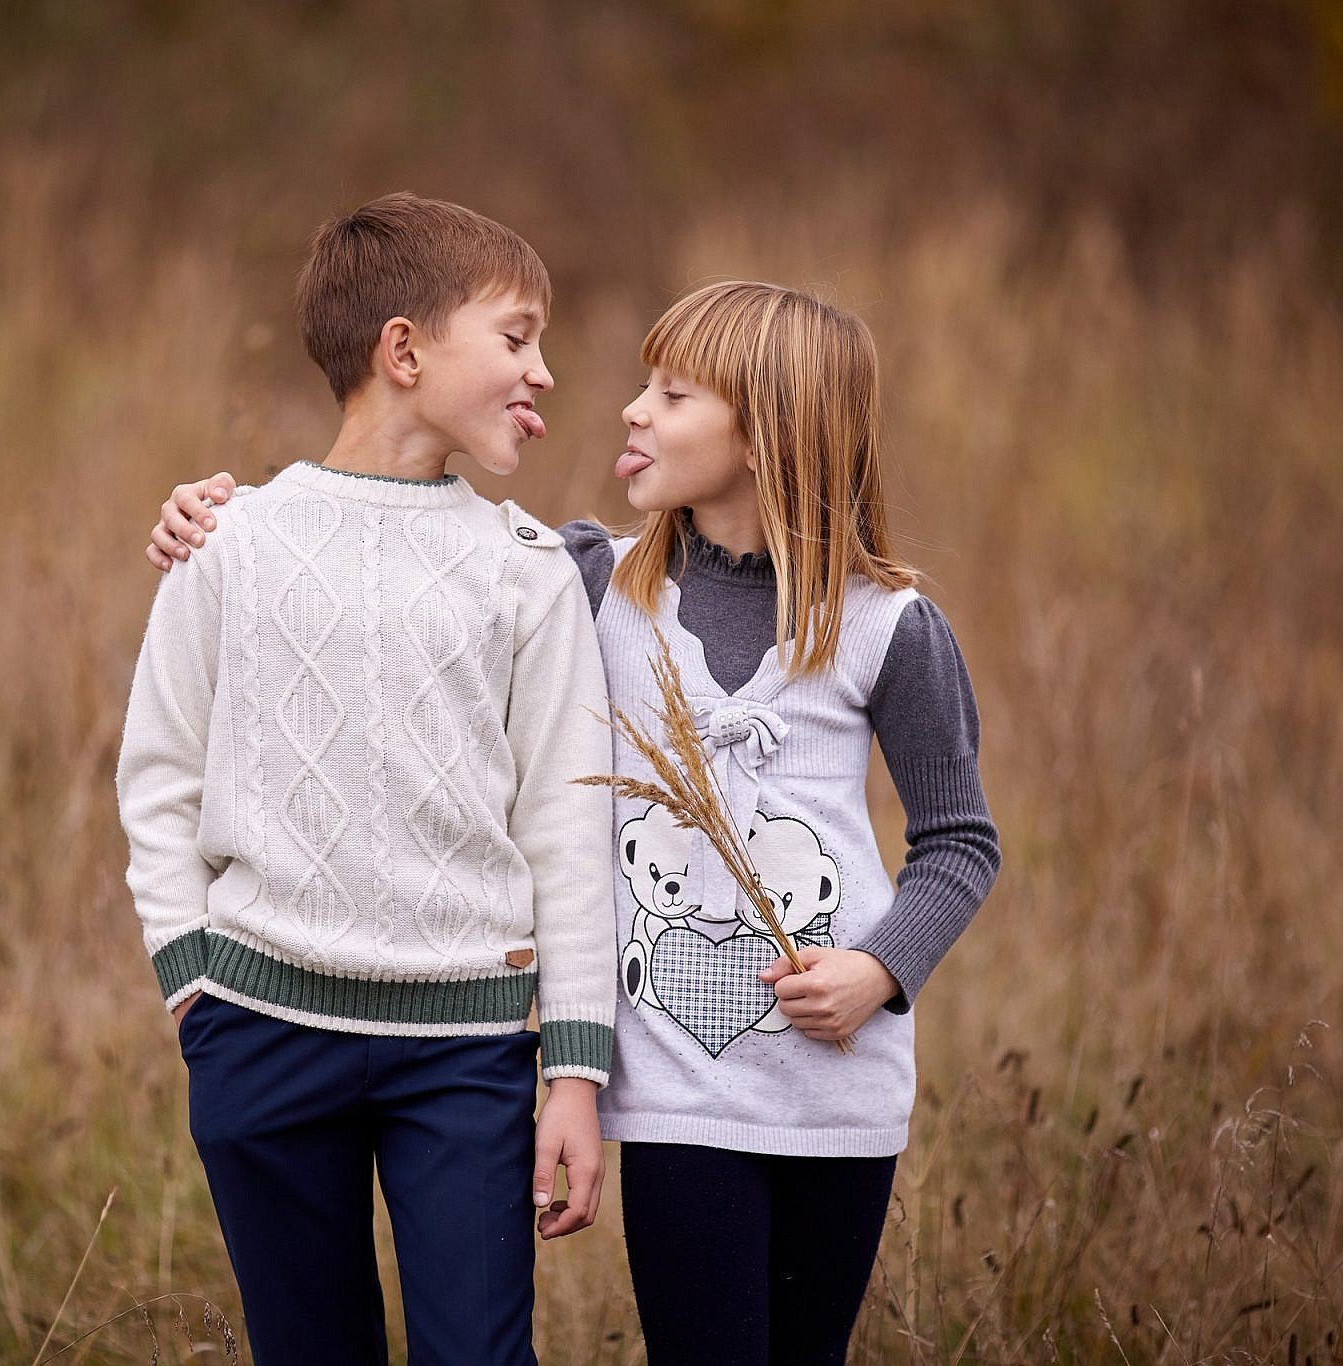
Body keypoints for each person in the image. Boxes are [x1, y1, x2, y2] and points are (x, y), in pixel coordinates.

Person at [148, 279, 1002, 1364]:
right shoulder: (584, 581)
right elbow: (399, 540)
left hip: (837, 1092)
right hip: (675, 1099)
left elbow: (958, 843)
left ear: (768, 434)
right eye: (643, 386)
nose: (631, 410)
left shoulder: (888, 626)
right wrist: (221, 515)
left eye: (672, 394)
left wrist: (879, 970)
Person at [115, 192, 616, 1366]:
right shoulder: (228, 545)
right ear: (402, 350)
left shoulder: (528, 575)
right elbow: (157, 776)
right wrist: (193, 985)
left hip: (468, 1054)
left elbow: (566, 824)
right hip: (261, 1036)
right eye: (516, 336)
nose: (543, 371)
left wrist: (575, 1070)